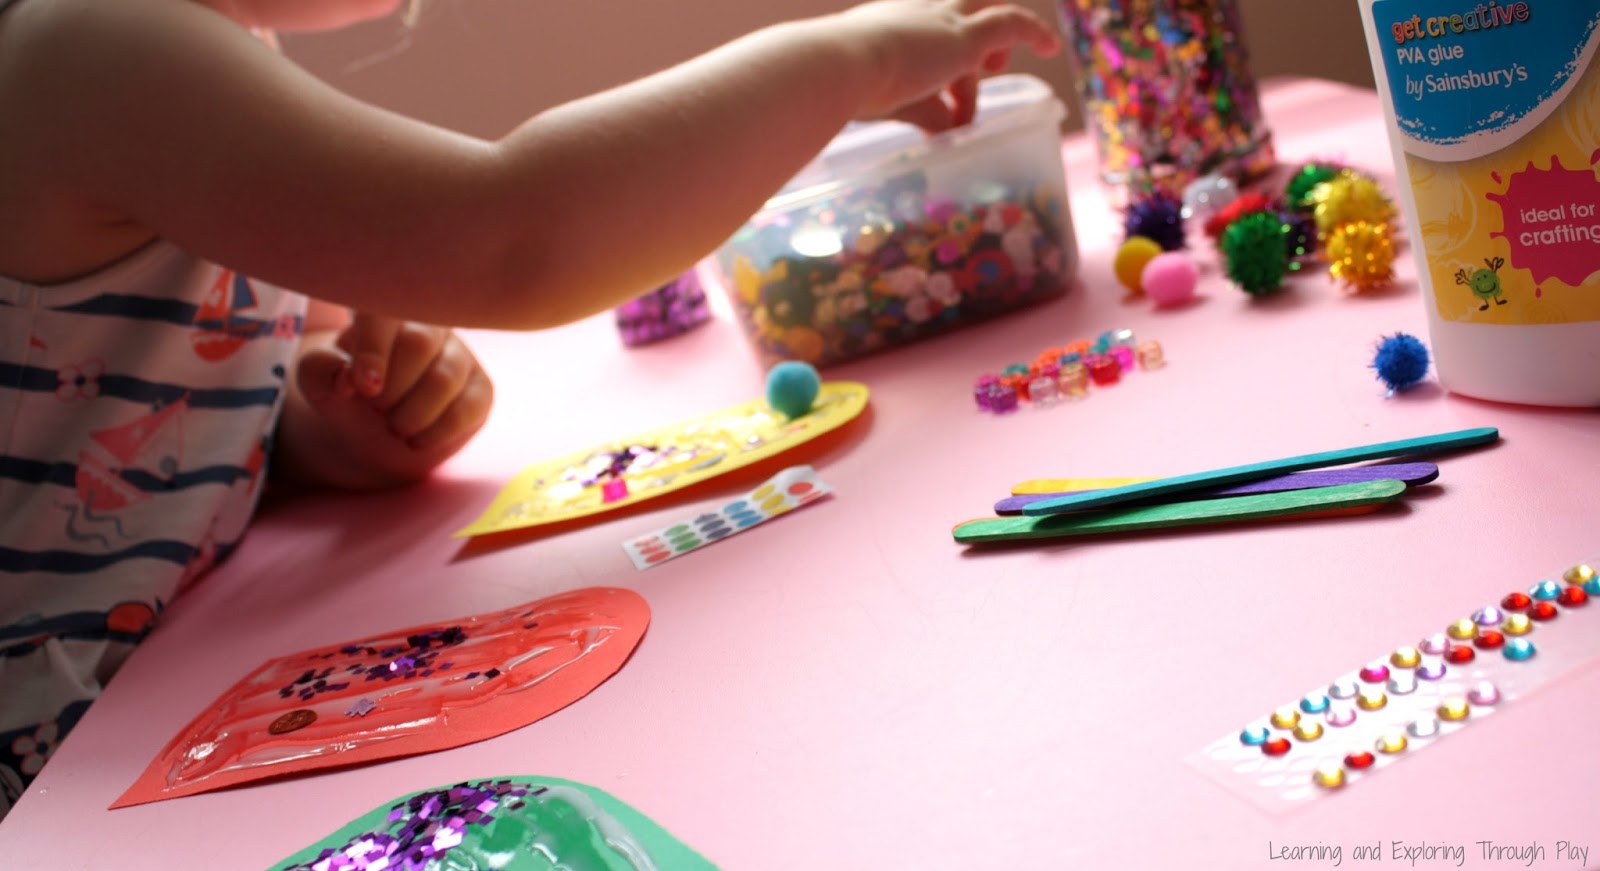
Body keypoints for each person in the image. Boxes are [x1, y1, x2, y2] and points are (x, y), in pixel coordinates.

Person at [0, 0, 1060, 816]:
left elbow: (133, 406)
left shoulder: (188, 48)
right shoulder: (94, 43)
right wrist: (849, 60)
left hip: (144, 715)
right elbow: (515, 238)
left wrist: (332, 427)